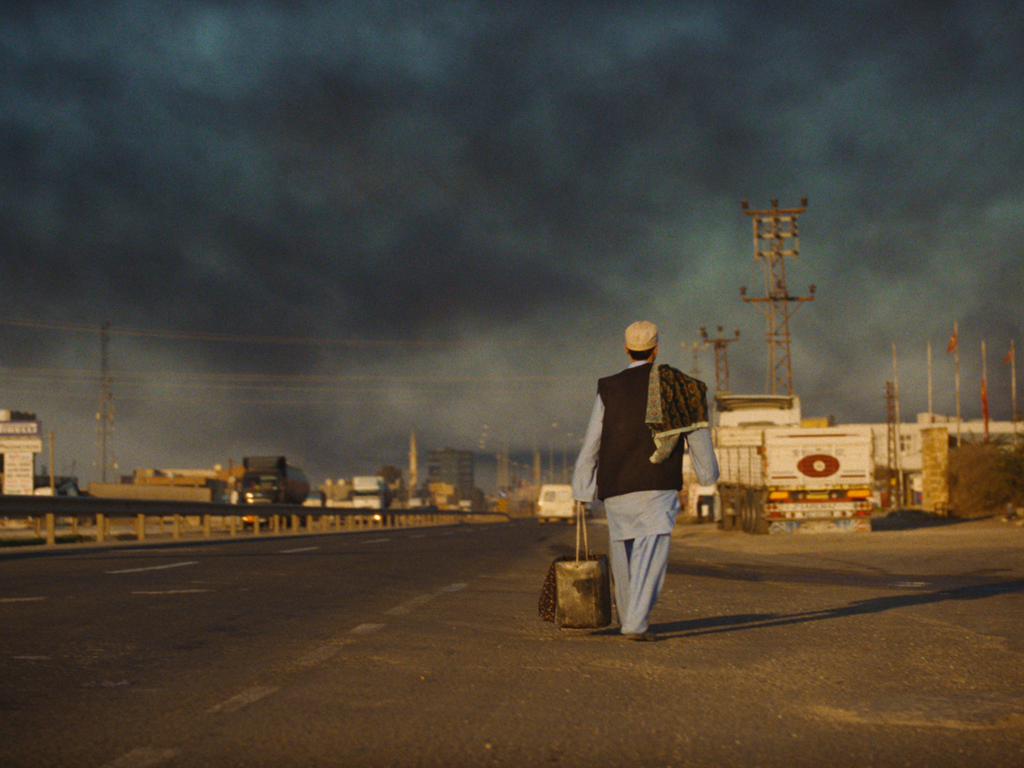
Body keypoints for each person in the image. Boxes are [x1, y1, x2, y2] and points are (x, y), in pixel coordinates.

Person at [571, 320, 719, 641]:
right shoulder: (679, 385)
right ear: (656, 350)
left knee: (623, 553)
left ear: (626, 349)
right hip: (657, 481)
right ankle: (635, 623)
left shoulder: (608, 388)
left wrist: (582, 487)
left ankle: (629, 616)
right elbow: (697, 434)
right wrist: (708, 476)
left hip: (616, 485)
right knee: (649, 552)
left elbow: (592, 440)